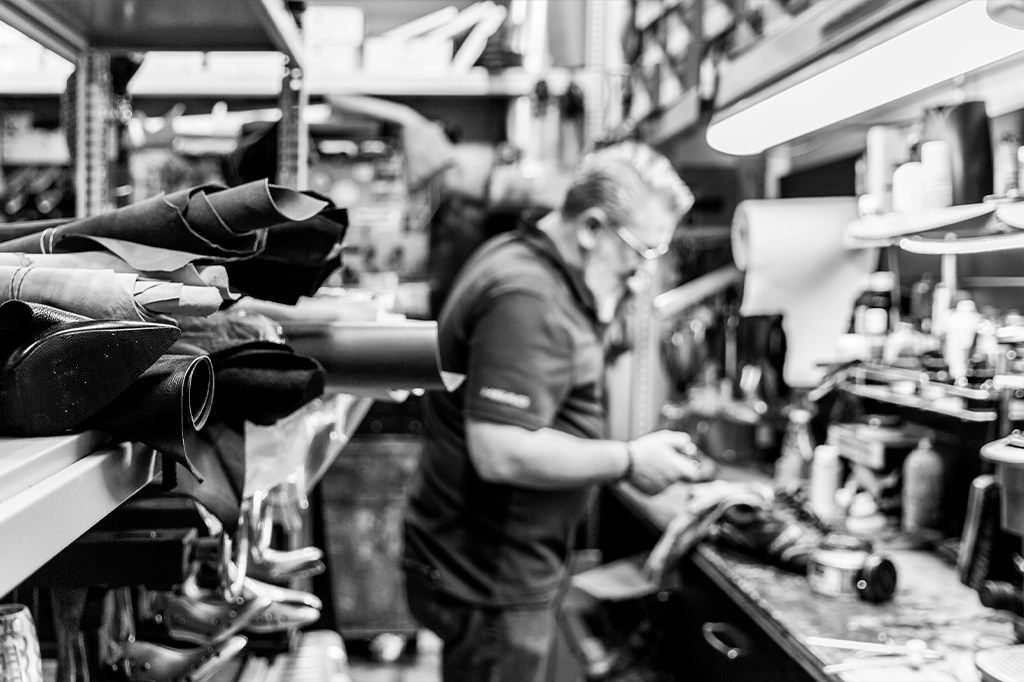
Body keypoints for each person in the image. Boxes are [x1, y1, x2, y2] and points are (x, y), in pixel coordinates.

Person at [403, 141, 706, 682]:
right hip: (489, 576)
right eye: (640, 253)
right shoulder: (528, 296)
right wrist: (628, 461)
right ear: (591, 228)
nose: (641, 274)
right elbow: (501, 451)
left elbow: (558, 369)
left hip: (492, 563)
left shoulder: (547, 269)